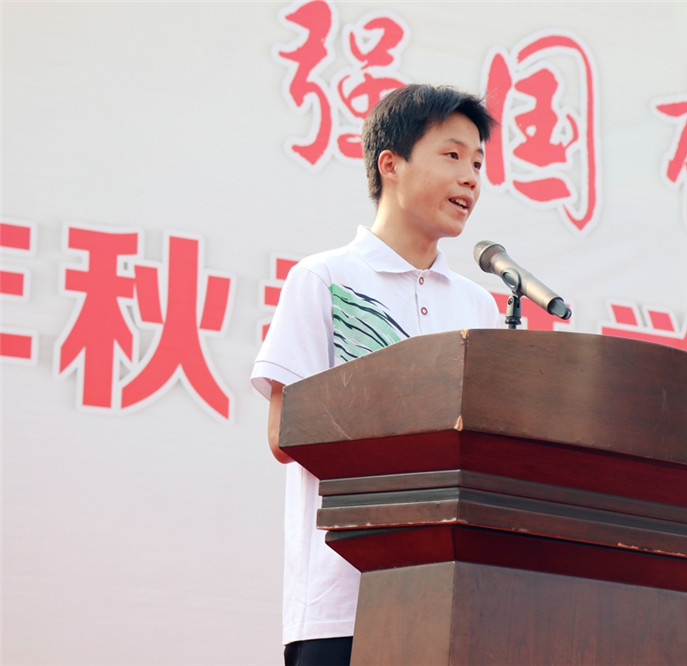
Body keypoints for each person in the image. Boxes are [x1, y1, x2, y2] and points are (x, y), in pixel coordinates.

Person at [250, 84, 502, 666]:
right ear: (391, 164)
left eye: (477, 164)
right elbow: (285, 434)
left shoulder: (479, 306)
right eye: (452, 155)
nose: (470, 178)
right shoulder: (324, 279)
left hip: (452, 601)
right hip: (342, 603)